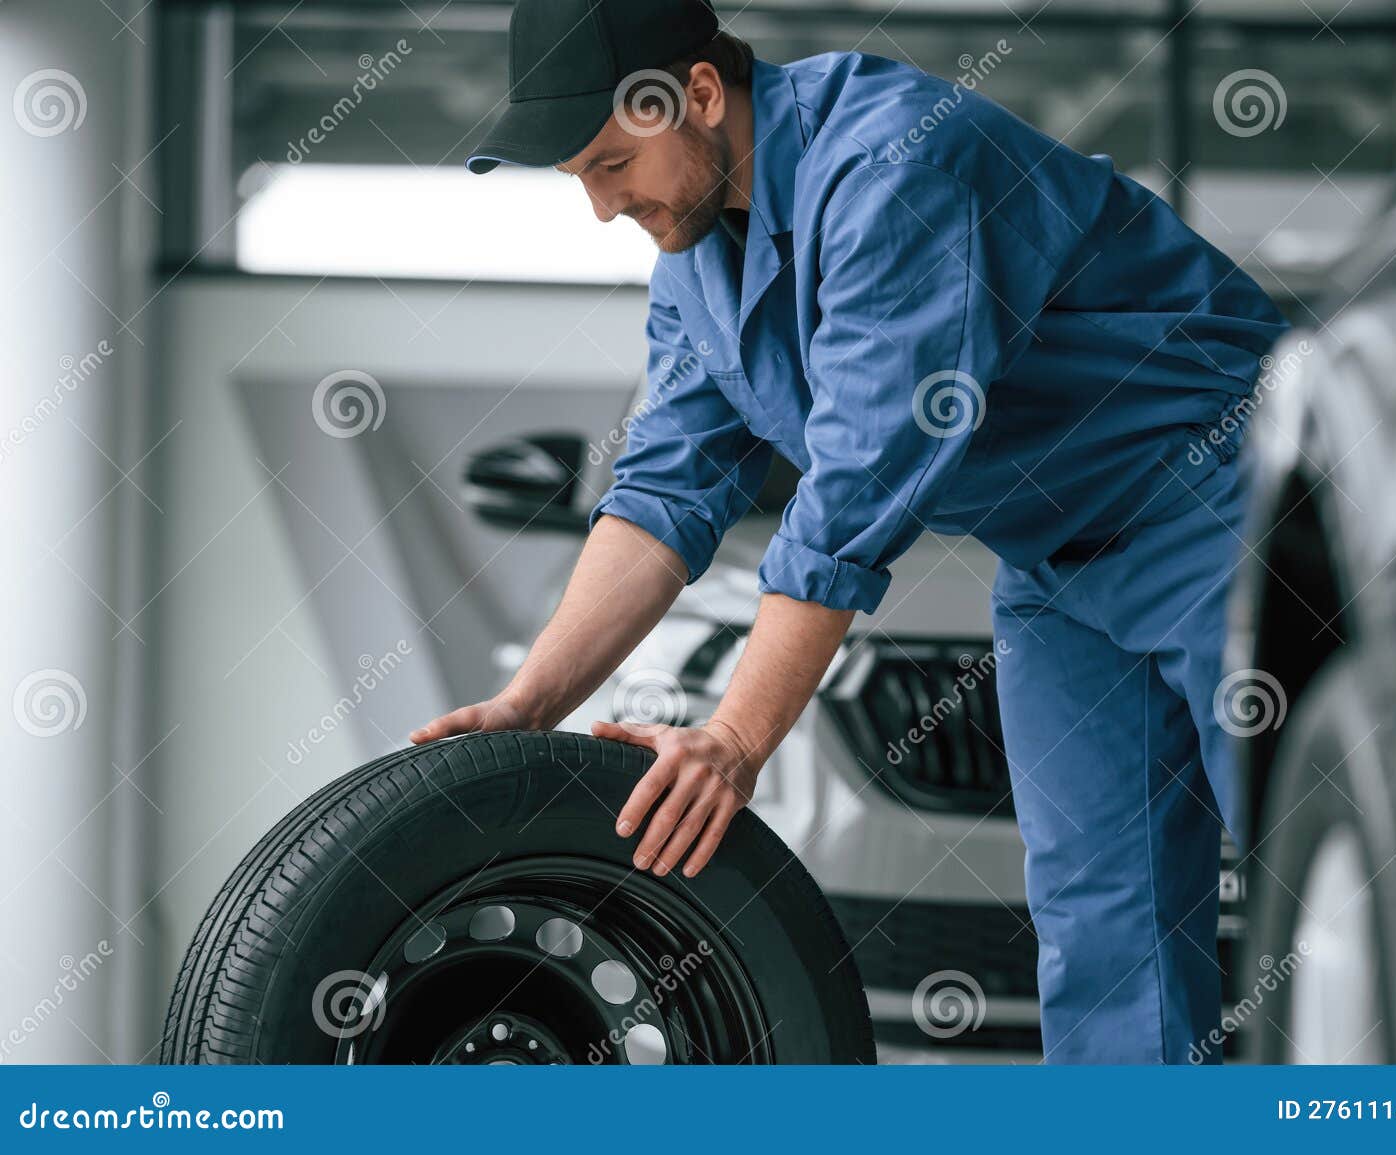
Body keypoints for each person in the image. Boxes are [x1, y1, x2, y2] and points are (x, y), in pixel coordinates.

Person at [411, 0, 1290, 1063]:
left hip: (1220, 507)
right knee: (1103, 923)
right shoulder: (697, 262)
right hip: (1054, 563)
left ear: (696, 92)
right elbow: (660, 495)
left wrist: (733, 741)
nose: (603, 207)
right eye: (582, 180)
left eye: (609, 164)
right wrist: (528, 702)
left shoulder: (888, 168)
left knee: (1327, 865)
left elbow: (856, 487)